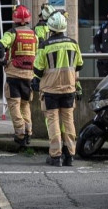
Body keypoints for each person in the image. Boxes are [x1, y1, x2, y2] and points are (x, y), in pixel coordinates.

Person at [33, 11, 83, 167]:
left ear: (50, 27)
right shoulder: (73, 43)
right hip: (69, 88)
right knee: (68, 121)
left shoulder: (45, 46)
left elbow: (37, 69)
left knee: (53, 121)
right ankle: (70, 155)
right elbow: (79, 65)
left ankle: (56, 156)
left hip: (50, 90)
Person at [0, 5, 38, 147]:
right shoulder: (34, 35)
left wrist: (2, 60)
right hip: (29, 75)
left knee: (14, 104)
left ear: (15, 19)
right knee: (25, 105)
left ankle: (20, 135)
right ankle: (28, 133)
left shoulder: (12, 33)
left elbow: (0, 46)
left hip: (14, 74)